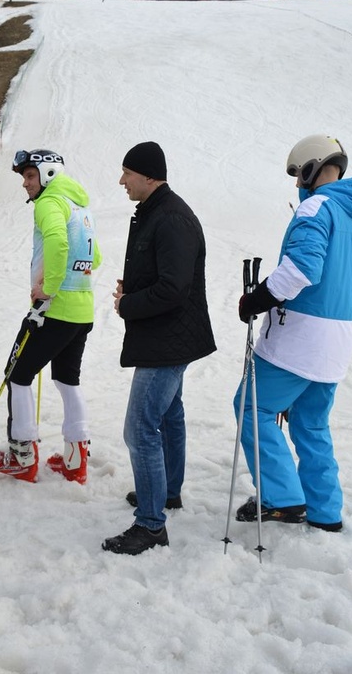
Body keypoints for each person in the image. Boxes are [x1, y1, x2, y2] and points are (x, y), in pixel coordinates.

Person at [235, 134, 352, 532]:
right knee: (310, 422)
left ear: (312, 168)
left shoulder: (317, 207)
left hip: (301, 337)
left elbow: (304, 269)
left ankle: (283, 499)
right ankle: (325, 512)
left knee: (251, 407)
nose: (296, 184)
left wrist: (260, 298)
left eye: (298, 174)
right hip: (337, 340)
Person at [102, 142, 216, 555]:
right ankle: (166, 491)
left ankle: (151, 526)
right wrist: (132, 287)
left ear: (149, 176)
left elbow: (173, 288)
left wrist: (128, 303)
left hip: (169, 340)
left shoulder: (171, 217)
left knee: (140, 427)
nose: (121, 180)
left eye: (127, 173)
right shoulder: (157, 212)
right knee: (169, 414)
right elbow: (162, 274)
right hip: (168, 334)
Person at [0, 149, 101, 485]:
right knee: (67, 379)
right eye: (23, 177)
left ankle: (21, 456)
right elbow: (97, 255)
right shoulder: (79, 204)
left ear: (48, 174)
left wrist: (49, 288)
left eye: (30, 175)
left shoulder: (50, 203)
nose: (25, 183)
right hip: (82, 310)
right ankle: (75, 460)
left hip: (55, 310)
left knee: (18, 376)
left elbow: (59, 244)